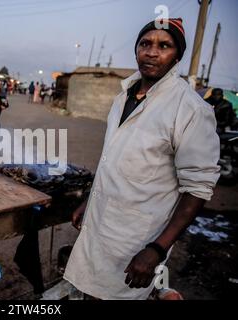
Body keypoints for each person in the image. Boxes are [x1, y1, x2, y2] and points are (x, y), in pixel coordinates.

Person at [64, 18, 220, 300]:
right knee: (89, 290)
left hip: (137, 240)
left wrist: (157, 249)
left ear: (178, 55)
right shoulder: (123, 96)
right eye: (145, 43)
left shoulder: (190, 109)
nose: (152, 52)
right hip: (102, 222)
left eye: (164, 45)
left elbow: (197, 189)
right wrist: (90, 200)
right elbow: (115, 158)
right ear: (136, 48)